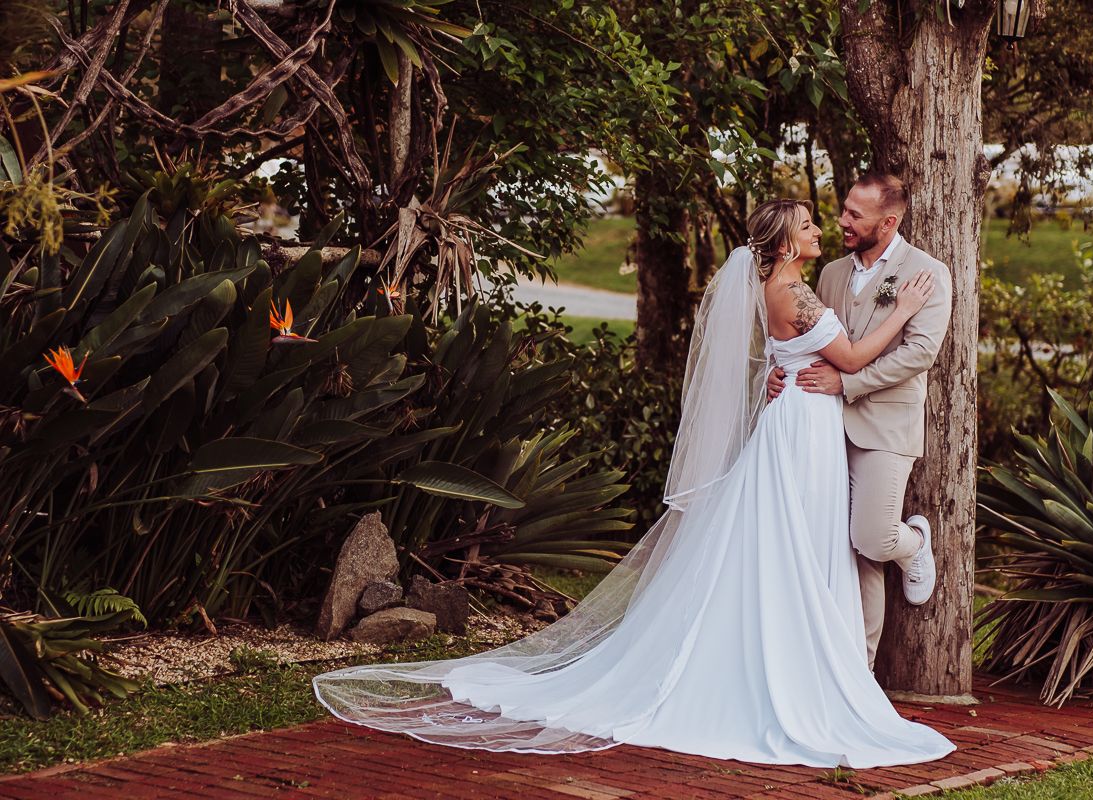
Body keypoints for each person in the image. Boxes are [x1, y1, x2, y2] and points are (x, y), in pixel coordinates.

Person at [312, 197, 957, 768]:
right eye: (812, 224)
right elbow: (849, 358)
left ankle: (808, 662)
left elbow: (784, 356)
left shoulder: (773, 289)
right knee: (799, 542)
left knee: (787, 543)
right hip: (804, 429)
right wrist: (901, 309)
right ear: (787, 242)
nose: (823, 228)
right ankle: (805, 670)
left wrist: (779, 371)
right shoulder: (798, 292)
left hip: (796, 422)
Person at [767, 173, 952, 672]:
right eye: (844, 210)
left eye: (855, 215)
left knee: (873, 537)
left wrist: (847, 384)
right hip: (818, 428)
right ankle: (858, 673)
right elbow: (799, 340)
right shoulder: (826, 274)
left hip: (883, 427)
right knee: (848, 554)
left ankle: (913, 542)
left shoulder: (926, 273)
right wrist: (774, 376)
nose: (842, 221)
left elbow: (920, 353)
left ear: (888, 222)